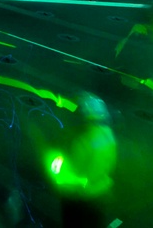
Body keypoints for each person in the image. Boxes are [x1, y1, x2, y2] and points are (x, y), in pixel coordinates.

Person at [47, 92, 118, 226]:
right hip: (102, 190)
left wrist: (58, 171)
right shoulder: (108, 134)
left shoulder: (83, 142)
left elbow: (74, 172)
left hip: (84, 197)